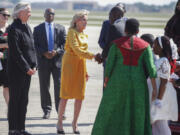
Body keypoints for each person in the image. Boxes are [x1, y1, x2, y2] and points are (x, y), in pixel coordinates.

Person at [91, 18, 157, 135]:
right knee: (136, 111)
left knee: (112, 110)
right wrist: (155, 89)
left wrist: (106, 81)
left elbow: (110, 65)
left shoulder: (116, 44)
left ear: (125, 30)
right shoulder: (146, 46)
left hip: (117, 82)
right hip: (138, 84)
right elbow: (152, 69)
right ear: (138, 30)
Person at [57, 10, 95, 134]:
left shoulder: (84, 34)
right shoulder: (71, 32)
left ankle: (75, 123)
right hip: (69, 65)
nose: (86, 22)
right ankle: (59, 123)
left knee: (80, 96)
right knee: (65, 95)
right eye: (83, 19)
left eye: (86, 19)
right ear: (76, 21)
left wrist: (86, 71)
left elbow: (82, 54)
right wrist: (94, 56)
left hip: (80, 65)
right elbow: (77, 50)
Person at [8, 2, 37, 135]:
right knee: (15, 100)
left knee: (24, 100)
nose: (30, 14)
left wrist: (34, 65)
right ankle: (13, 129)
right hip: (17, 71)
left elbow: (32, 49)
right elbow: (16, 52)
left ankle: (21, 128)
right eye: (28, 11)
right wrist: (27, 68)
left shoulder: (27, 27)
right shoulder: (13, 29)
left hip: (28, 71)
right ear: (20, 13)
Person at [33, 8, 66, 119]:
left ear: (54, 15)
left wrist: (57, 52)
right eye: (48, 13)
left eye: (52, 13)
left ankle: (60, 110)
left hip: (57, 62)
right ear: (44, 15)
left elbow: (65, 44)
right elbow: (34, 45)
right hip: (43, 61)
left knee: (59, 86)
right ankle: (46, 110)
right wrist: (44, 53)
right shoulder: (37, 29)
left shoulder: (61, 28)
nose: (50, 15)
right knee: (44, 86)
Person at [148, 36, 178, 135]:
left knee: (161, 125)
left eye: (155, 44)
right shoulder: (160, 60)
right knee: (156, 125)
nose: (153, 46)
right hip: (157, 97)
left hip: (161, 98)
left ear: (161, 47)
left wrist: (159, 100)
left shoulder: (164, 61)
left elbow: (164, 82)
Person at [0, 8, 10, 107]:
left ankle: (10, 109)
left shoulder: (10, 28)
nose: (6, 17)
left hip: (7, 61)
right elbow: (8, 45)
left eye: (8, 15)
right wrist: (4, 45)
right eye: (4, 15)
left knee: (7, 86)